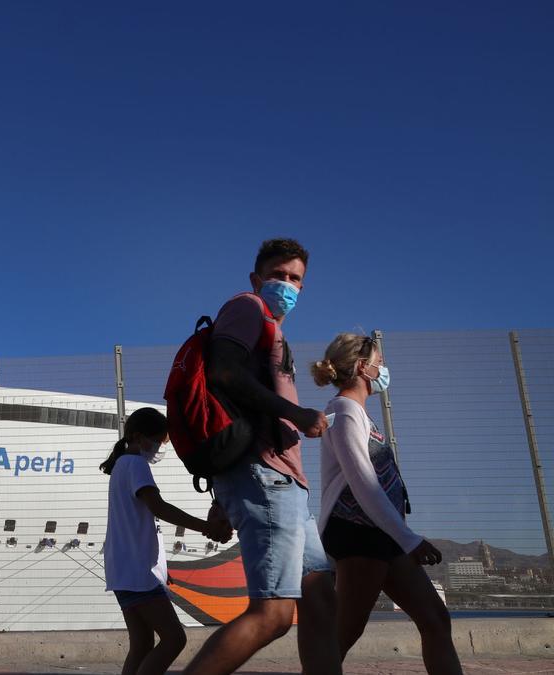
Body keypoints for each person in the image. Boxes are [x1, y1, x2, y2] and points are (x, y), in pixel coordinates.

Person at [182, 238, 339, 675]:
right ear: (257, 278)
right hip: (266, 475)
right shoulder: (248, 308)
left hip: (284, 480)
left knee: (321, 599)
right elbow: (223, 372)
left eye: (295, 279)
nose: (286, 284)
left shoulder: (273, 327)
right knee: (272, 615)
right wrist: (296, 412)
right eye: (278, 275)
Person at [312, 334, 463, 673]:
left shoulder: (359, 414)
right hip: (359, 534)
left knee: (435, 619)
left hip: (383, 535)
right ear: (363, 367)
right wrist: (410, 539)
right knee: (344, 632)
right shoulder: (343, 409)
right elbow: (363, 484)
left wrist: (400, 535)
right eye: (379, 361)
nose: (383, 369)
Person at [101, 407, 232, 675]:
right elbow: (158, 507)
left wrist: (161, 567)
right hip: (139, 573)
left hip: (124, 571)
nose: (160, 449)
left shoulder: (121, 467)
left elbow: (137, 523)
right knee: (174, 639)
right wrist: (205, 527)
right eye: (159, 441)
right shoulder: (136, 464)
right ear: (138, 436)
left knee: (142, 644)